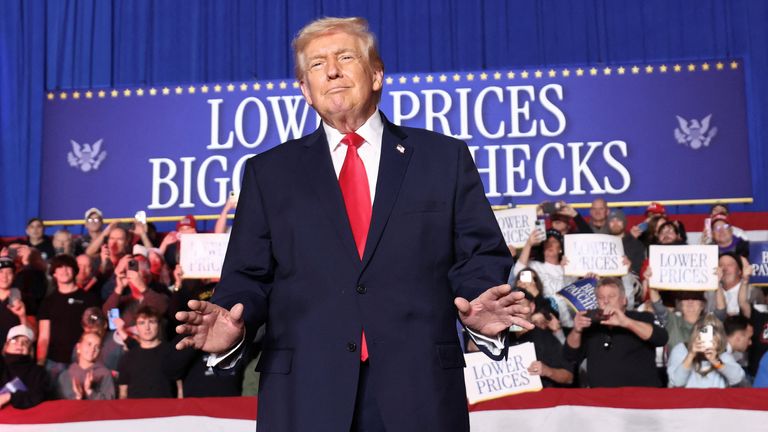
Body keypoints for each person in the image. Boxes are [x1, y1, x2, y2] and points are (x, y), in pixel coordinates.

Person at [174, 17, 531, 432]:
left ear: (376, 74)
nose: (332, 70)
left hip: (420, 393)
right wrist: (233, 327)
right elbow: (247, 278)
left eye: (346, 57)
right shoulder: (267, 173)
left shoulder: (442, 159)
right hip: (305, 395)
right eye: (316, 65)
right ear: (305, 90)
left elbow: (479, 255)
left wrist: (479, 302)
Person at [564, 277, 668, 387]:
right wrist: (576, 330)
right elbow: (570, 356)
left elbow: (661, 338)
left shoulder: (641, 317)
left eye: (611, 296)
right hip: (602, 399)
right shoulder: (590, 325)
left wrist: (626, 322)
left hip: (639, 398)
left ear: (624, 300)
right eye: (601, 297)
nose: (606, 301)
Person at [36, 254, 100, 382]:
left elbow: (96, 331)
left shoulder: (90, 299)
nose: (64, 271)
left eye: (68, 267)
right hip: (54, 361)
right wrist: (40, 363)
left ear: (75, 271)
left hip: (82, 361)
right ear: (54, 273)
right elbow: (43, 336)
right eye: (59, 267)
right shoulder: (48, 302)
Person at [667, 314, 744, 388]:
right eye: (704, 332)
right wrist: (691, 355)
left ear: (719, 337)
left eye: (713, 333)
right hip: (687, 400)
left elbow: (737, 378)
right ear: (696, 334)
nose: (707, 338)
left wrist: (716, 362)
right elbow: (677, 382)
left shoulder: (723, 355)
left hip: (715, 400)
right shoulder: (681, 350)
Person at [117, 306, 178, 398]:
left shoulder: (171, 351)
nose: (147, 327)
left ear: (158, 324)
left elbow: (180, 385)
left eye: (151, 322)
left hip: (166, 410)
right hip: (136, 410)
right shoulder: (128, 357)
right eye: (142, 323)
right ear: (136, 327)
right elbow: (123, 393)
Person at [0, 325, 48, 409]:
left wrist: (10, 396)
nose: (20, 344)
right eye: (14, 340)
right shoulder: (1, 366)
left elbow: (38, 396)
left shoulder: (38, 372)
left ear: (30, 350)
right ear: (6, 346)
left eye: (25, 342)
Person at [57, 332, 115, 400]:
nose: (93, 349)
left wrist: (90, 391)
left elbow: (110, 403)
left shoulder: (104, 374)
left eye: (97, 346)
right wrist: (78, 397)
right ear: (78, 347)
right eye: (89, 344)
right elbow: (60, 405)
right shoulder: (65, 376)